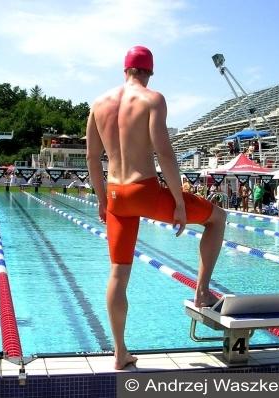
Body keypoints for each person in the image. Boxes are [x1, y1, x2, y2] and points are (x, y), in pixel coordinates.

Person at [86, 45, 227, 370]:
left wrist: (101, 198)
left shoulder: (98, 104)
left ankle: (120, 352)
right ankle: (202, 292)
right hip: (146, 190)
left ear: (125, 70)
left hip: (117, 195)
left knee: (118, 274)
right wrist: (178, 201)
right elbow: (165, 154)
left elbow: (93, 159)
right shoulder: (152, 99)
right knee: (217, 218)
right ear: (149, 72)